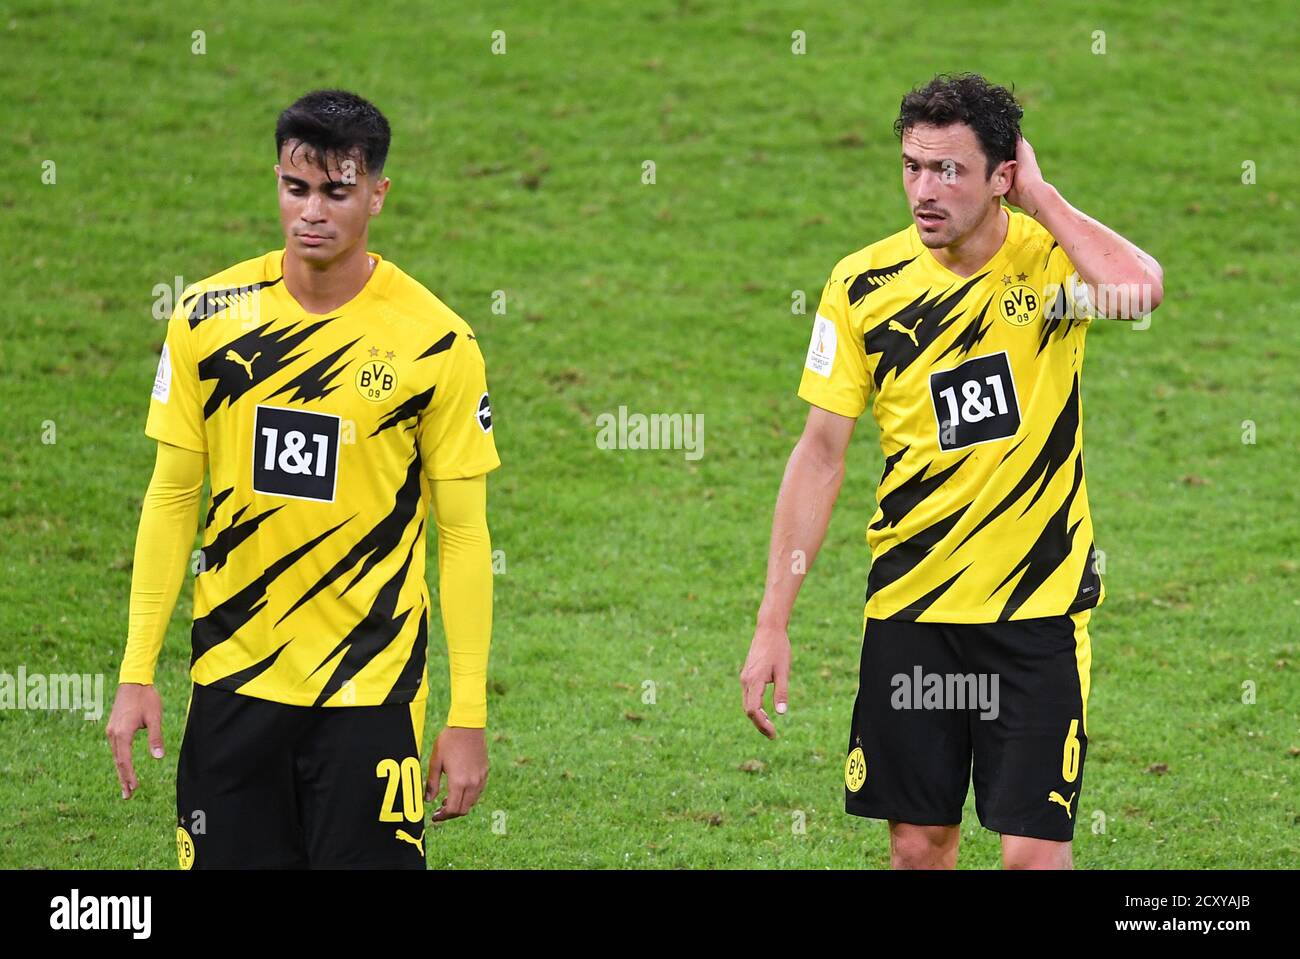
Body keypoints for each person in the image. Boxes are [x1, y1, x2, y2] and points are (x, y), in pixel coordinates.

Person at [740, 73, 1163, 869]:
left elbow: (1139, 292)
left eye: (950, 171)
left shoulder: (1051, 272)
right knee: (918, 848)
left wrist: (1044, 198)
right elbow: (820, 453)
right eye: (911, 166)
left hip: (1036, 611)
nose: (922, 190)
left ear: (1003, 175)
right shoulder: (863, 287)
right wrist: (773, 618)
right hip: (913, 612)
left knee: (1033, 857)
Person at [106, 89, 500, 869]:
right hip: (234, 685)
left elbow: (461, 534)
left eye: (336, 190)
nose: (312, 211)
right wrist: (135, 670)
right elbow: (173, 495)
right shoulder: (207, 319)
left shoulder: (437, 344)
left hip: (371, 694)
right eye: (296, 188)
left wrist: (468, 711)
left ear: (377, 195)